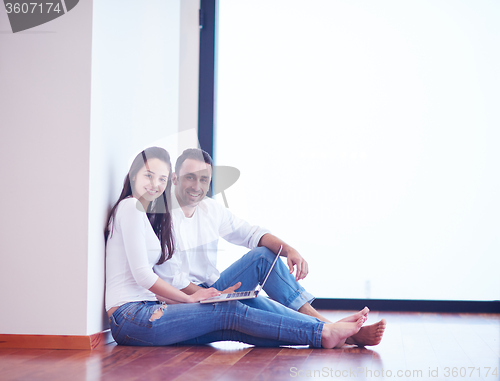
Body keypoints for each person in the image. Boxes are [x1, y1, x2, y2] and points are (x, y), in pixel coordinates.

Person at [105, 146, 370, 348]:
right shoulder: (150, 214)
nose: (196, 186)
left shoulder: (192, 209)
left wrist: (290, 249)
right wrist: (197, 298)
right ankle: (324, 333)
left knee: (259, 266)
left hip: (179, 299)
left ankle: (326, 329)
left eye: (203, 180)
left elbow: (252, 233)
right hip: (158, 305)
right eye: (188, 178)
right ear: (175, 179)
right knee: (238, 311)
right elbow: (153, 276)